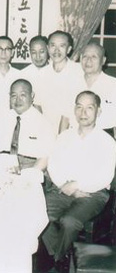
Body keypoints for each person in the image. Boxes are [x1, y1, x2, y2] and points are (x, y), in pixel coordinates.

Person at [41, 91, 116, 271]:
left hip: (93, 193)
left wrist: (77, 185)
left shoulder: (107, 142)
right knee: (37, 213)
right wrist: (65, 186)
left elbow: (105, 175)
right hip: (63, 189)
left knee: (69, 221)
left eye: (89, 108)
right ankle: (62, 255)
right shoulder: (64, 136)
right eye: (79, 107)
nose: (83, 112)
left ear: (98, 112)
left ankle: (59, 264)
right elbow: (53, 165)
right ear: (74, 110)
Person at [0, 79, 55, 170]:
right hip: (1, 169)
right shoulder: (0, 119)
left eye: (22, 95)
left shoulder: (43, 123)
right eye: (13, 96)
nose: (18, 100)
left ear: (32, 96)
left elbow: (46, 157)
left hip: (30, 171)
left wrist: (28, 176)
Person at [37, 30, 84, 133]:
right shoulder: (42, 74)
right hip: (47, 131)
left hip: (73, 130)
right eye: (53, 45)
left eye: (62, 46)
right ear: (48, 48)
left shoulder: (79, 71)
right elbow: (38, 104)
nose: (56, 50)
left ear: (69, 49)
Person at [74, 42, 116, 137]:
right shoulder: (72, 83)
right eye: (85, 56)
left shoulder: (113, 85)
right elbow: (65, 116)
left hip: (105, 138)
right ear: (80, 58)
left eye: (94, 57)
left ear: (103, 60)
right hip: (76, 136)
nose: (88, 61)